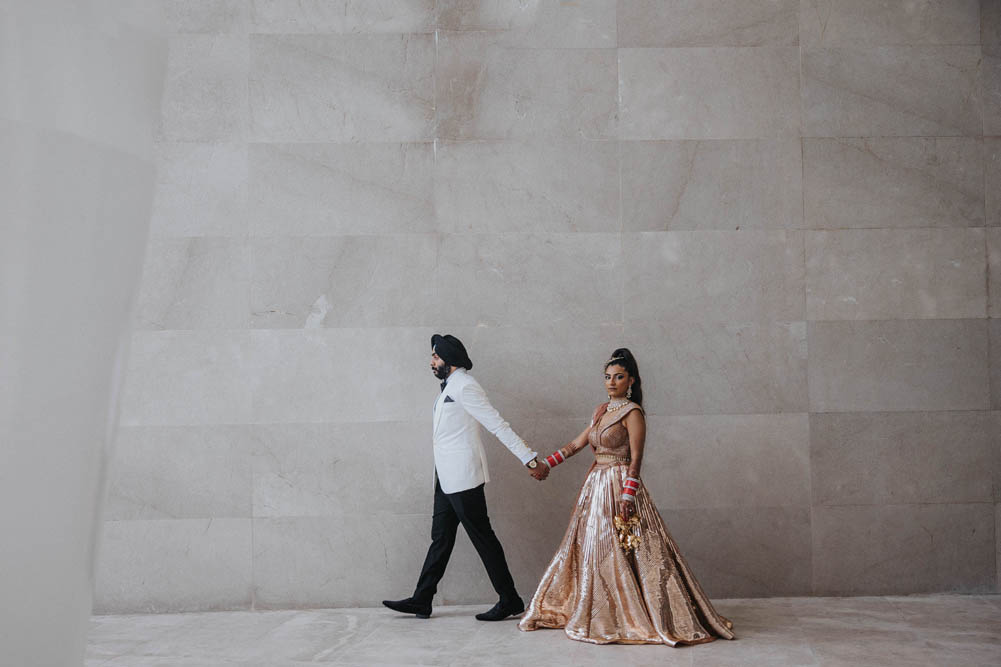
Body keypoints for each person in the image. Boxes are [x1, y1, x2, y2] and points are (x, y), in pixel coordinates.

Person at [519, 348, 735, 646]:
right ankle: (599, 611)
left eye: (618, 377)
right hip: (595, 488)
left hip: (621, 485)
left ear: (631, 380)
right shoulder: (601, 411)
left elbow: (636, 459)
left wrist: (627, 496)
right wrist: (547, 464)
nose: (611, 383)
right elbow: (575, 445)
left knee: (630, 551)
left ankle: (634, 614)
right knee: (594, 548)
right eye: (607, 377)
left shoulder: (633, 413)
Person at [383, 334, 549, 621]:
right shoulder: (449, 387)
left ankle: (509, 598)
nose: (432, 362)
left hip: (463, 477)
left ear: (450, 360)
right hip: (445, 477)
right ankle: (422, 599)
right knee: (441, 538)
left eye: (436, 357)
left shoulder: (466, 387)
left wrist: (529, 458)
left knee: (482, 537)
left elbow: (497, 424)